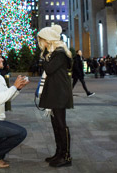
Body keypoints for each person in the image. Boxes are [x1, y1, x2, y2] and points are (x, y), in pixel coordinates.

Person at [37, 25, 73, 168]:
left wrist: (45, 56)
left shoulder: (59, 53)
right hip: (55, 92)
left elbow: (49, 69)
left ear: (48, 40)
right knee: (55, 124)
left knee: (61, 124)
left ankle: (66, 156)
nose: (41, 44)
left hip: (60, 93)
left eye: (42, 41)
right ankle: (59, 152)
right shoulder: (55, 53)